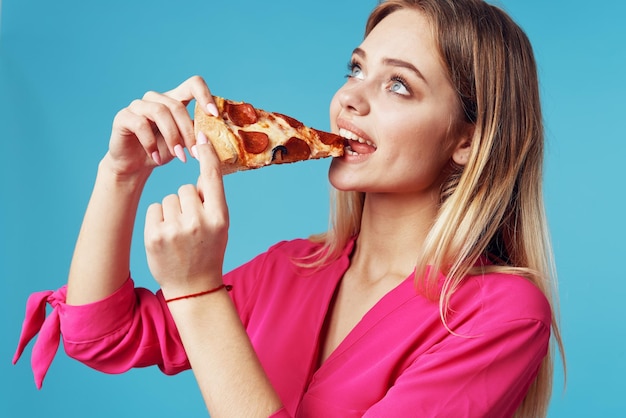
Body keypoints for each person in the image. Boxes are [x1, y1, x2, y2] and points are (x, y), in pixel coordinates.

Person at [14, 0, 565, 416]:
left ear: (468, 140)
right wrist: (121, 174)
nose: (350, 98)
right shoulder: (293, 267)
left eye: (399, 85)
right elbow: (100, 335)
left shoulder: (499, 315)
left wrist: (197, 291)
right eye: (356, 68)